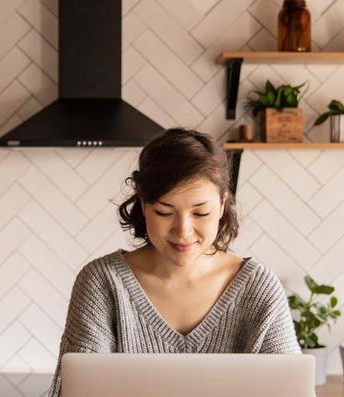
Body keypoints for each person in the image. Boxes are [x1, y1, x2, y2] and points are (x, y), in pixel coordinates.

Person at [48, 128, 300, 397]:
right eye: (164, 212)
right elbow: (76, 391)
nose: (183, 231)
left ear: (222, 204)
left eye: (200, 212)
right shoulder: (102, 282)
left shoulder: (258, 287)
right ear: (144, 206)